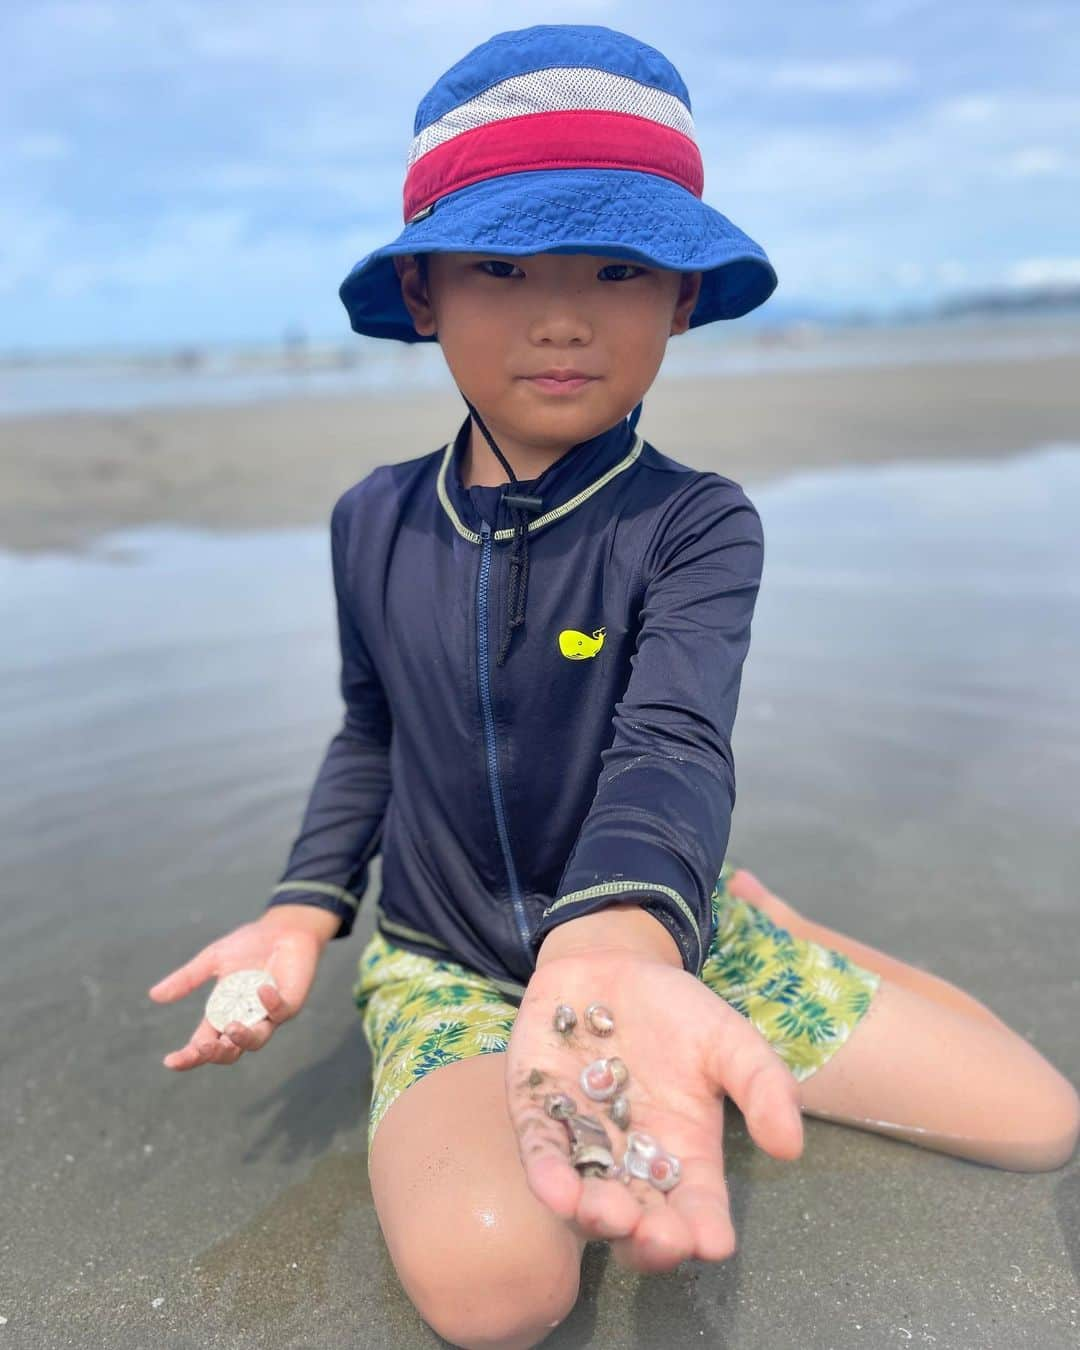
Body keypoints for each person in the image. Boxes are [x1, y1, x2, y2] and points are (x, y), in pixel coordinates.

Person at [148, 23, 1079, 1350]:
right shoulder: (374, 521)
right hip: (448, 957)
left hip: (652, 928)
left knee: (1045, 1120)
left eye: (620, 266)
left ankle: (762, 916)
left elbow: (675, 742)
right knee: (498, 1291)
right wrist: (302, 911)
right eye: (504, 264)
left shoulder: (697, 525)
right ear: (424, 294)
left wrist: (626, 935)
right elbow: (371, 731)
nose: (565, 313)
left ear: (683, 297)